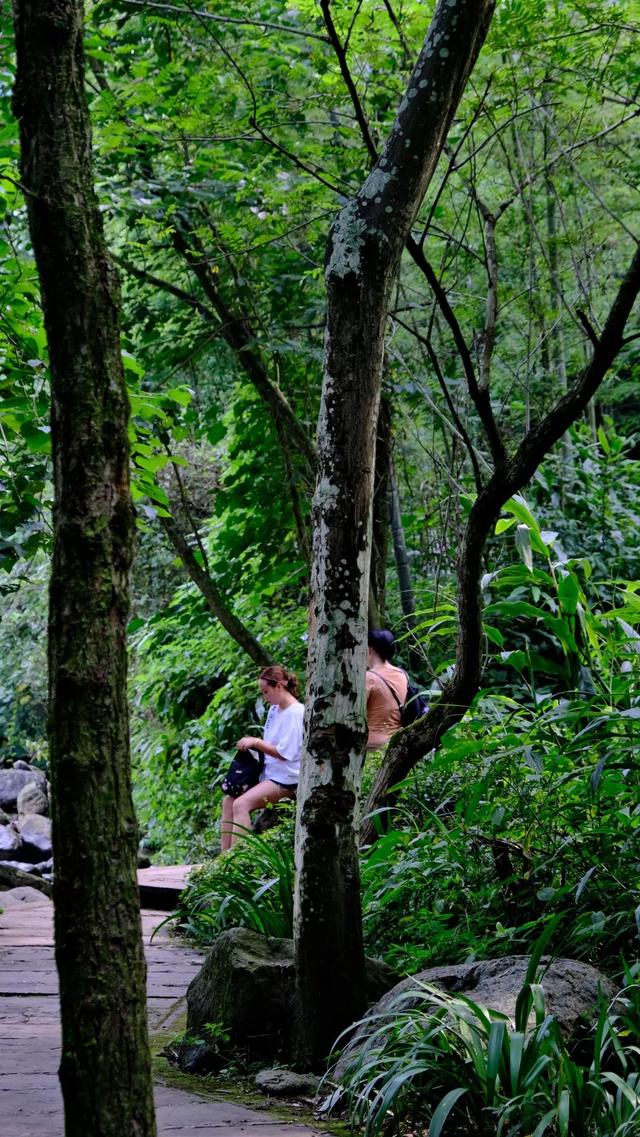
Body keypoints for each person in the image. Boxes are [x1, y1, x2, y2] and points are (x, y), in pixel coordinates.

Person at [220, 664, 303, 850]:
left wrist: (256, 742)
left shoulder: (296, 713)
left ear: (279, 686)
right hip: (268, 773)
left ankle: (239, 858)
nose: (265, 697)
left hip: (287, 778)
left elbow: (285, 754)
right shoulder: (275, 710)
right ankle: (223, 858)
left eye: (266, 692)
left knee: (241, 804)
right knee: (229, 801)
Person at [366, 629, 408, 751]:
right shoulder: (403, 674)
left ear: (370, 649)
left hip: (372, 747)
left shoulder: (369, 678)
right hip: (396, 745)